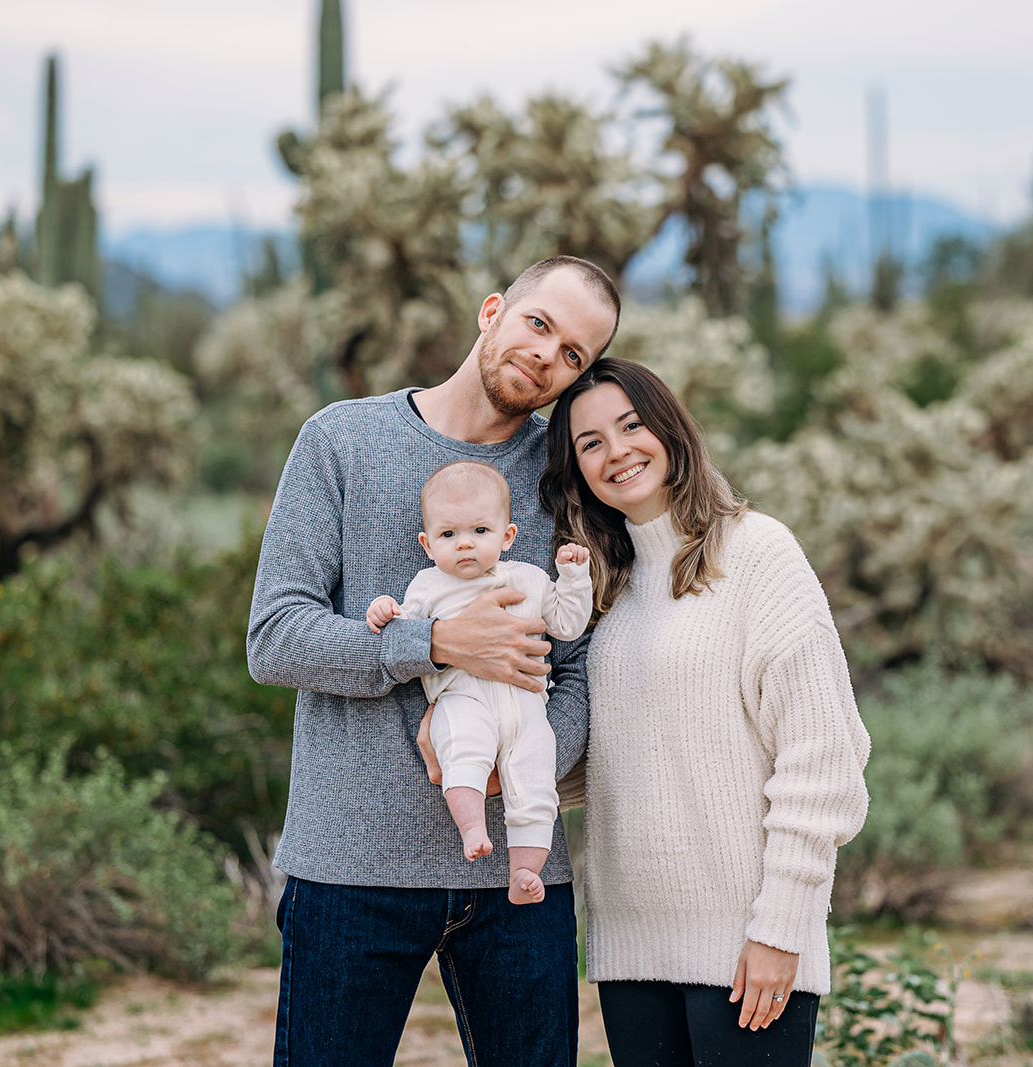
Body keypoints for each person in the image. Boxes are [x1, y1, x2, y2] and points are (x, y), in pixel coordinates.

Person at [248, 255, 619, 1067]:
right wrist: (433, 643)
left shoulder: (563, 478)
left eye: (574, 356)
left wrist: (521, 761)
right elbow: (274, 636)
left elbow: (583, 662)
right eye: (540, 325)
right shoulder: (341, 439)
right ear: (494, 311)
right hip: (351, 865)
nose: (548, 356)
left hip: (520, 876)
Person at [538, 358, 871, 1067]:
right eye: (590, 442)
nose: (617, 450)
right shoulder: (606, 584)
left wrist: (781, 927)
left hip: (747, 940)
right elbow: (616, 752)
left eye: (631, 425)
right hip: (631, 943)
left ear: (671, 429)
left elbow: (821, 757)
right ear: (576, 468)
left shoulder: (758, 552)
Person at [365, 460, 593, 906]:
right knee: (462, 749)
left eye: (480, 531)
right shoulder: (429, 586)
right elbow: (404, 633)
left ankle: (525, 872)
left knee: (535, 780)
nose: (465, 543)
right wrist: (383, 610)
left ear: (507, 536)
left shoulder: (529, 578)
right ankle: (472, 827)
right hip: (462, 698)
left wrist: (573, 577)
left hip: (528, 708)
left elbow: (568, 624)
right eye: (449, 535)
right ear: (428, 545)